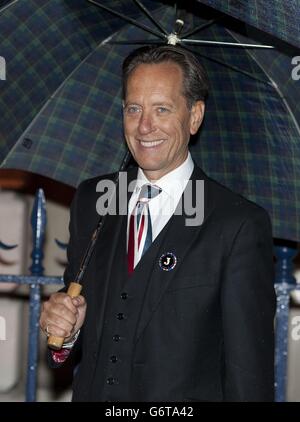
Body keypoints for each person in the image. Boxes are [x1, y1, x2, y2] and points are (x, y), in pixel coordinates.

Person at [39, 45, 276, 402]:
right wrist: (66, 331)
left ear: (194, 116)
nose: (144, 126)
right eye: (134, 109)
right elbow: (77, 330)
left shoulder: (237, 223)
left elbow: (248, 373)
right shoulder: (95, 198)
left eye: (161, 109)